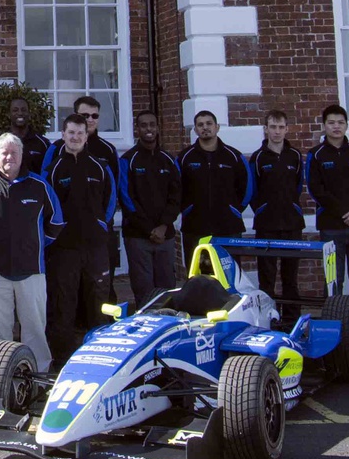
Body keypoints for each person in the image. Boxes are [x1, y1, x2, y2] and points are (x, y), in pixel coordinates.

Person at [0, 133, 64, 372]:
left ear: (22, 156)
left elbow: (56, 223)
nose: (9, 157)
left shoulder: (39, 186)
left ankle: (38, 374)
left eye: (14, 152)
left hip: (32, 271)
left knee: (34, 329)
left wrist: (35, 245)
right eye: (4, 152)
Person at [43, 113, 116, 365]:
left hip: (96, 247)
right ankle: (61, 359)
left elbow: (110, 200)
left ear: (87, 135)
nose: (75, 137)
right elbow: (48, 207)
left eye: (80, 133)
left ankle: (101, 355)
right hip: (64, 249)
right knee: (64, 302)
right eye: (71, 132)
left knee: (99, 300)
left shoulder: (99, 167)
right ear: (63, 134)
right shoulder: (53, 170)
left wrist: (101, 226)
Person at [306, 104, 349, 300]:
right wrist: (344, 212)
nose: (336, 127)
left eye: (340, 123)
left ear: (346, 126)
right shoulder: (316, 154)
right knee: (333, 279)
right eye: (331, 123)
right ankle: (333, 325)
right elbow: (316, 189)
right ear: (324, 126)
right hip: (331, 227)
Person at [120, 110, 180, 304]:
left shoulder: (169, 160)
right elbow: (126, 198)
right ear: (137, 129)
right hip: (138, 236)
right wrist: (148, 229)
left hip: (165, 236)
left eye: (152, 125)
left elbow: (177, 195)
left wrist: (163, 226)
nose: (148, 129)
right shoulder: (127, 160)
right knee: (143, 290)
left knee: (167, 289)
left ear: (157, 128)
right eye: (144, 125)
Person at [248, 110, 304, 315]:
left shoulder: (295, 156)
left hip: (292, 224)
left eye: (281, 127)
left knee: (290, 278)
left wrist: (291, 207)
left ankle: (291, 320)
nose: (277, 132)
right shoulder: (258, 158)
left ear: (287, 129)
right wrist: (263, 211)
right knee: (267, 279)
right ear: (265, 129)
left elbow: (298, 186)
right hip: (266, 226)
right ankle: (268, 320)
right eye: (273, 127)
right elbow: (252, 191)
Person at [177, 110, 250, 251]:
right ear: (195, 130)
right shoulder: (184, 158)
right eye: (200, 124)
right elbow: (176, 188)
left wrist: (233, 209)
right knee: (198, 272)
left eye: (209, 123)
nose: (205, 127)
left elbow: (246, 188)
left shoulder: (234, 156)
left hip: (228, 226)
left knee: (229, 272)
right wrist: (187, 210)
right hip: (195, 227)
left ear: (217, 127)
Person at [0, 95, 50, 174]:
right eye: (15, 110)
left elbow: (48, 174)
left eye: (24, 110)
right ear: (9, 114)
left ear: (29, 113)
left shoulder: (43, 144)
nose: (20, 113)